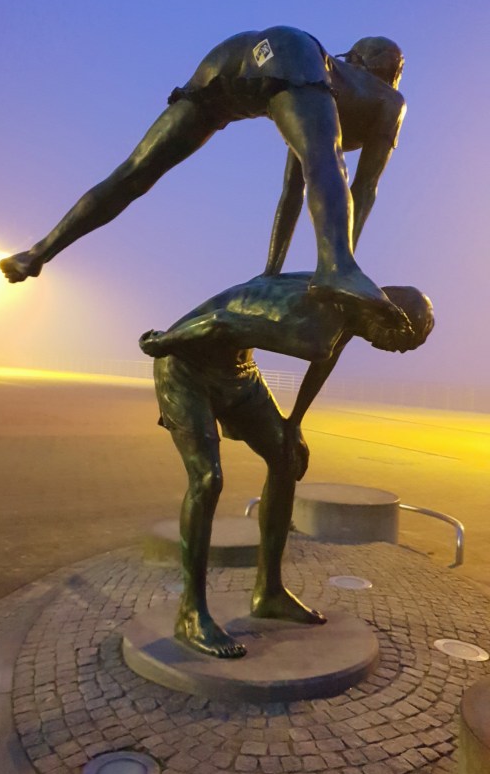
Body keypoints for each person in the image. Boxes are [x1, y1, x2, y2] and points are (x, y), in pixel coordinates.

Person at [0, 27, 411, 341]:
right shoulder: (387, 99)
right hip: (288, 49)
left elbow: (294, 190)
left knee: (135, 173)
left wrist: (269, 272)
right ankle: (337, 268)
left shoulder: (318, 94)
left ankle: (38, 253)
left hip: (228, 61)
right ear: (387, 70)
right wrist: (346, 263)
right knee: (328, 160)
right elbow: (363, 187)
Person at [139, 272, 434, 659]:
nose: (394, 352)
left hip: (239, 371)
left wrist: (293, 424)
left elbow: (324, 362)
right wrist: (161, 343)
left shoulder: (349, 303)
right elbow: (220, 322)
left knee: (285, 458)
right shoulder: (315, 328)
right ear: (387, 315)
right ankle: (191, 614)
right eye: (399, 343)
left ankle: (270, 592)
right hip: (184, 365)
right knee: (207, 479)